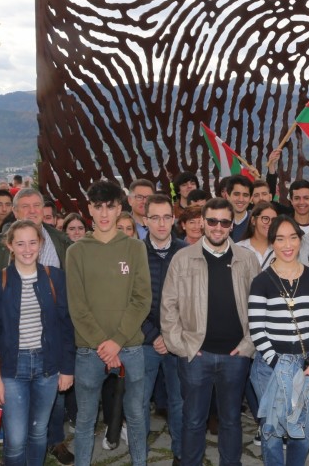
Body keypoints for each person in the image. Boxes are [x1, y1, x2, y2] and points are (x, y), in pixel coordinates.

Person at [161, 197, 262, 466]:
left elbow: (260, 306)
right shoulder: (182, 258)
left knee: (230, 420)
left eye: (224, 222)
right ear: (203, 223)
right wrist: (181, 347)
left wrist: (249, 345)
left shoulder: (247, 259)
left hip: (236, 356)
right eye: (212, 221)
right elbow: (168, 305)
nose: (218, 227)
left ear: (232, 226)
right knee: (193, 420)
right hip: (195, 355)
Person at [66, 180, 151, 466]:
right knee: (85, 420)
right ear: (89, 208)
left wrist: (116, 342)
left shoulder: (135, 248)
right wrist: (104, 345)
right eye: (98, 207)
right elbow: (77, 307)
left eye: (110, 207)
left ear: (120, 209)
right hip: (90, 351)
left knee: (137, 416)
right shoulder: (76, 251)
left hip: (130, 347)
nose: (104, 213)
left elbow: (141, 299)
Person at [0, 220, 76, 466]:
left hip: (48, 365)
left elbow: (66, 326)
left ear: (41, 244)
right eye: (20, 243)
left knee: (38, 432)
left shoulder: (55, 277)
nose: (27, 249)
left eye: (32, 242)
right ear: (10, 246)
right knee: (15, 438)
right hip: (12, 368)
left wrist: (67, 369)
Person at [247, 215, 309, 466]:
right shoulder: (261, 282)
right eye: (280, 239)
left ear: (300, 239)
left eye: (292, 237)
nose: (287, 244)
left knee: (301, 432)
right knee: (271, 432)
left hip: (305, 367)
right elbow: (257, 329)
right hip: (269, 366)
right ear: (272, 243)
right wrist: (277, 364)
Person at [139, 195, 184, 466]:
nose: (161, 223)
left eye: (166, 217)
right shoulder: (135, 253)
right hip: (144, 341)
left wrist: (170, 336)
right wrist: (154, 335)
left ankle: (181, 454)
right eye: (154, 217)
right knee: (140, 402)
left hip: (177, 341)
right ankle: (139, 455)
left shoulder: (186, 251)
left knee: (179, 402)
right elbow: (129, 300)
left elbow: (192, 300)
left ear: (173, 219)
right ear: (145, 221)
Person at [0, 189, 71, 272]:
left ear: (43, 209)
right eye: (25, 206)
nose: (32, 211)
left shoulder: (62, 241)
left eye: (36, 205)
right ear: (15, 211)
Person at [237, 201, 277, 269]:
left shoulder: (279, 249)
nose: (270, 223)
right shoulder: (238, 248)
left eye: (274, 220)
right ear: (253, 220)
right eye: (265, 218)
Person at [219, 174, 255, 242]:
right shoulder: (217, 223)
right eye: (236, 194)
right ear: (227, 196)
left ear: (251, 198)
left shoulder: (256, 224)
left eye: (245, 195)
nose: (241, 199)